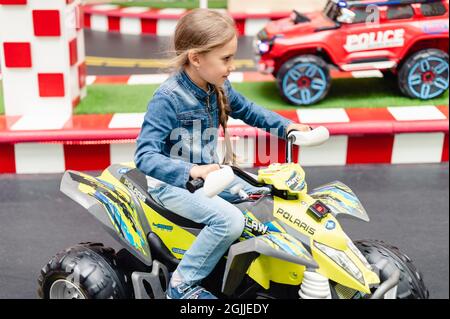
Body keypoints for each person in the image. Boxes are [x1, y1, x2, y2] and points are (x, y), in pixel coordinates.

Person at [134, 8, 310, 299]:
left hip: (212, 177)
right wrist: (192, 171)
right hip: (174, 184)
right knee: (230, 220)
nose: (231, 65)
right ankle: (181, 286)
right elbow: (145, 155)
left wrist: (288, 126)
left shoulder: (218, 85)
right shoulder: (167, 99)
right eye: (226, 58)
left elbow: (250, 111)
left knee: (266, 195)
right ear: (196, 58)